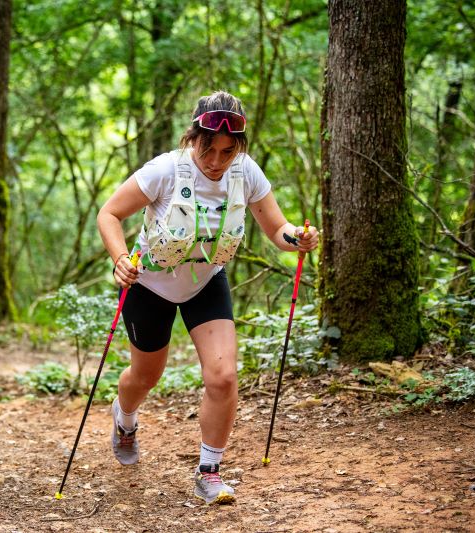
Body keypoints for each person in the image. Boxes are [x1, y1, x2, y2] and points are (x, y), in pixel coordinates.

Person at [96, 91, 319, 504]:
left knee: (223, 376)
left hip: (205, 281)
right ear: (192, 138)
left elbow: (277, 229)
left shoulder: (246, 173)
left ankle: (209, 471)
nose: (217, 160)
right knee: (144, 377)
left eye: (227, 151)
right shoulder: (164, 170)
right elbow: (109, 213)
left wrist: (300, 238)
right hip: (151, 284)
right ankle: (125, 419)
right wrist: (120, 259)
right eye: (208, 149)